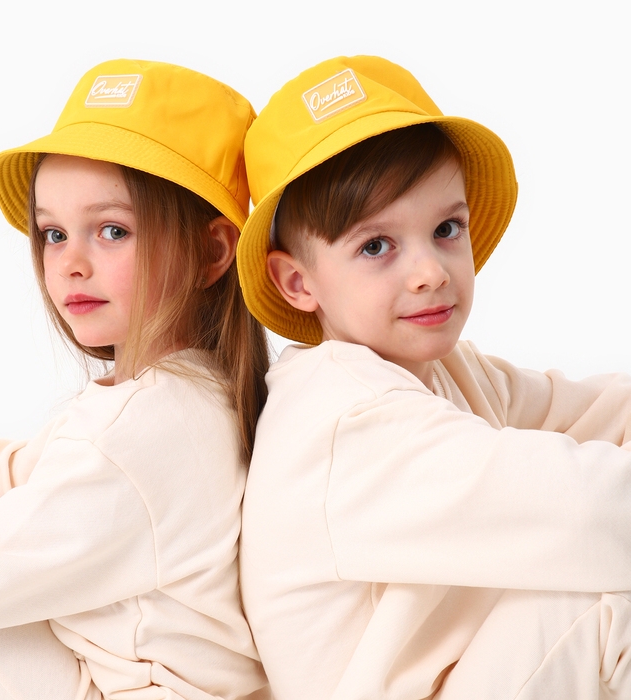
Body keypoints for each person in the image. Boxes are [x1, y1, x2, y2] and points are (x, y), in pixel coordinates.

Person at [236, 55, 631, 700]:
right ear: (298, 282)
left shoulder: (440, 368)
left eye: (446, 229)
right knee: (597, 599)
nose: (431, 272)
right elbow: (592, 512)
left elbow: (595, 410)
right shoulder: (344, 421)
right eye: (376, 246)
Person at [0, 59, 270, 700]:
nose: (71, 264)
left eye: (113, 231)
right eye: (53, 233)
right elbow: (15, 471)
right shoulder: (185, 394)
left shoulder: (143, 431)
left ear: (212, 252)